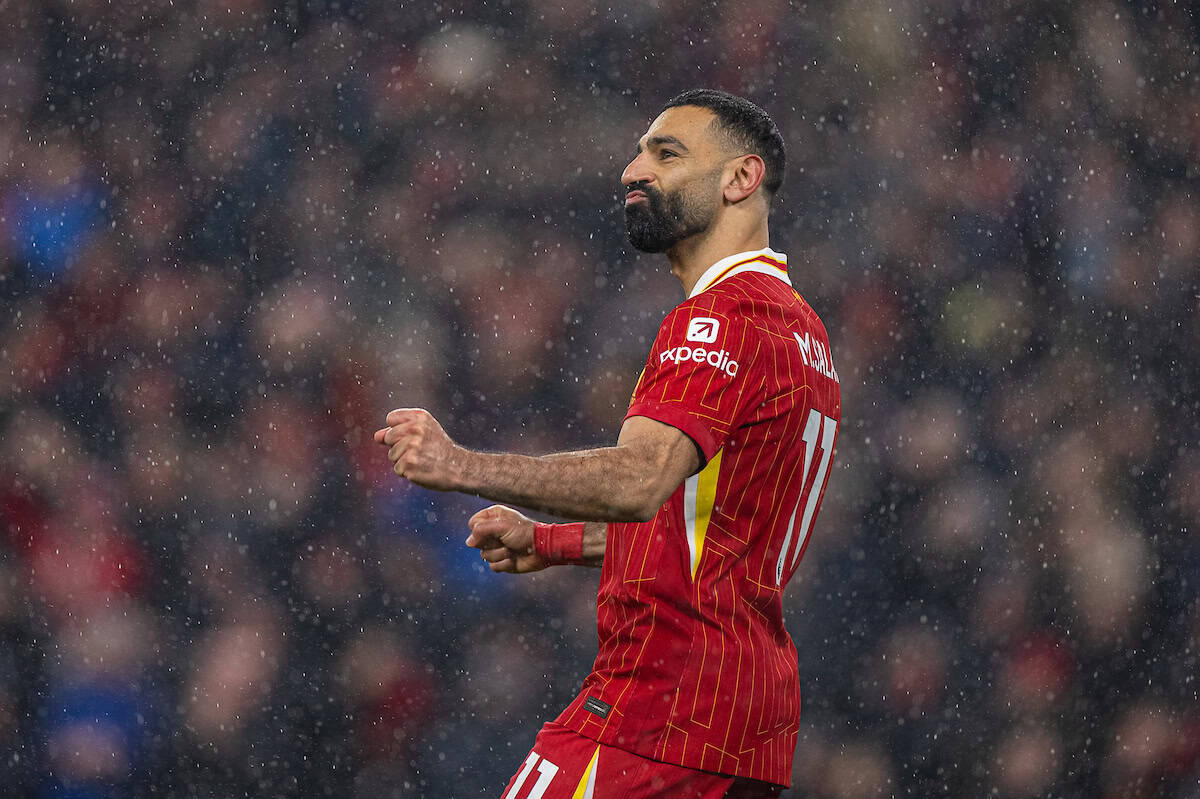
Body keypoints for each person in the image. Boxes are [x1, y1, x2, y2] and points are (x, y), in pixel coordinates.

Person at [374, 89, 841, 799]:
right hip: (745, 730)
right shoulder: (803, 332)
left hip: (655, 710)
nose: (633, 170)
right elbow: (715, 529)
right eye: (638, 151)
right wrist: (554, 542)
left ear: (740, 179)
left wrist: (460, 464)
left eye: (667, 152)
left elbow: (639, 480)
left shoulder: (722, 317)